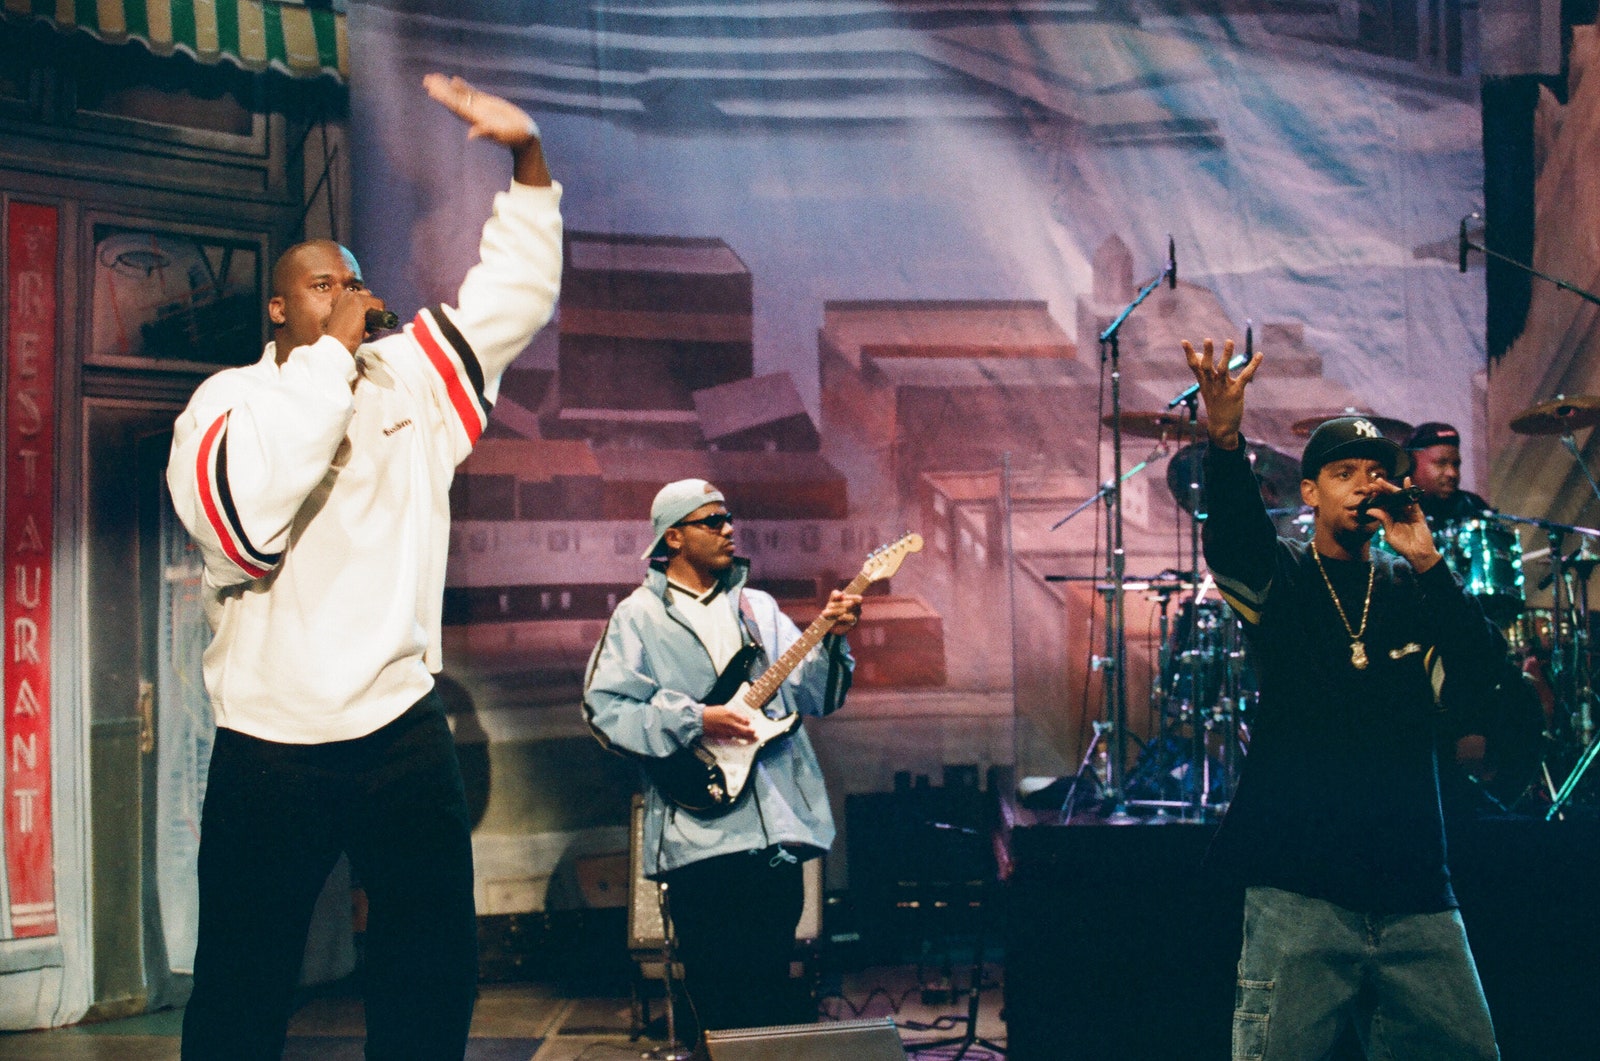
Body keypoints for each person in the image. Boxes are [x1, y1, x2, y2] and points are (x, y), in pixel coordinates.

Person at [165, 75, 561, 1061]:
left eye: (357, 281)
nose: (353, 296)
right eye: (323, 284)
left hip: (397, 726)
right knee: (243, 982)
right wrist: (330, 366)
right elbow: (249, 526)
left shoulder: (411, 378)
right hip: (270, 740)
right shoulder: (227, 404)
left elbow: (510, 300)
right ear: (276, 305)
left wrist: (528, 163)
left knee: (430, 971)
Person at [1181, 338, 1510, 1060]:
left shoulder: (1411, 590)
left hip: (1418, 891)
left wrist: (1427, 558)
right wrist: (1226, 438)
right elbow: (1234, 542)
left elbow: (1484, 678)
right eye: (1343, 472)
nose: (1364, 484)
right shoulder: (1287, 581)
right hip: (1301, 893)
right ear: (1310, 492)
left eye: (1377, 473)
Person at [583, 479, 861, 1040]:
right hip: (701, 838)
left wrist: (832, 640)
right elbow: (605, 711)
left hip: (773, 835)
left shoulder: (759, 609)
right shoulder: (638, 617)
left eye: (728, 518)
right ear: (675, 536)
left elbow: (816, 698)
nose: (729, 529)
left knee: (772, 994)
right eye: (713, 521)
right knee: (717, 999)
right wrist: (696, 719)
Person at [1406, 421, 1492, 523]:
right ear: (1410, 466)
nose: (1452, 473)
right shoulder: (1390, 508)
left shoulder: (1472, 505)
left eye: (1456, 464)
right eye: (1441, 463)